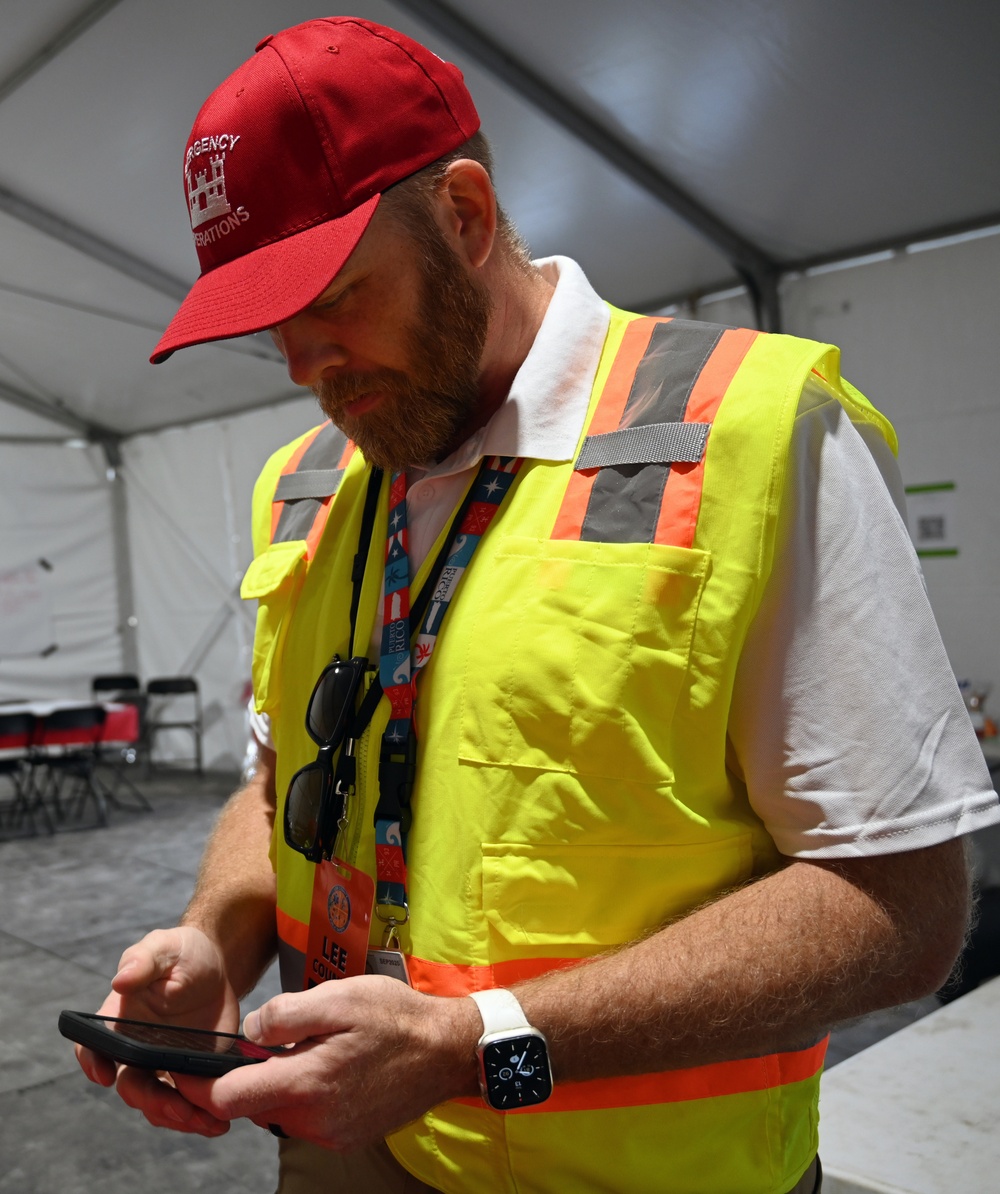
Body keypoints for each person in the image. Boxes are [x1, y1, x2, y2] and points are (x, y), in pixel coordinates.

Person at [76, 16, 999, 1194]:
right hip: (340, 1156)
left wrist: (476, 1045)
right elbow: (275, 787)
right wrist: (215, 939)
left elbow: (902, 905)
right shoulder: (310, 487)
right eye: (271, 327)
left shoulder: (752, 437)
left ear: (462, 218)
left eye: (334, 296)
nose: (308, 365)